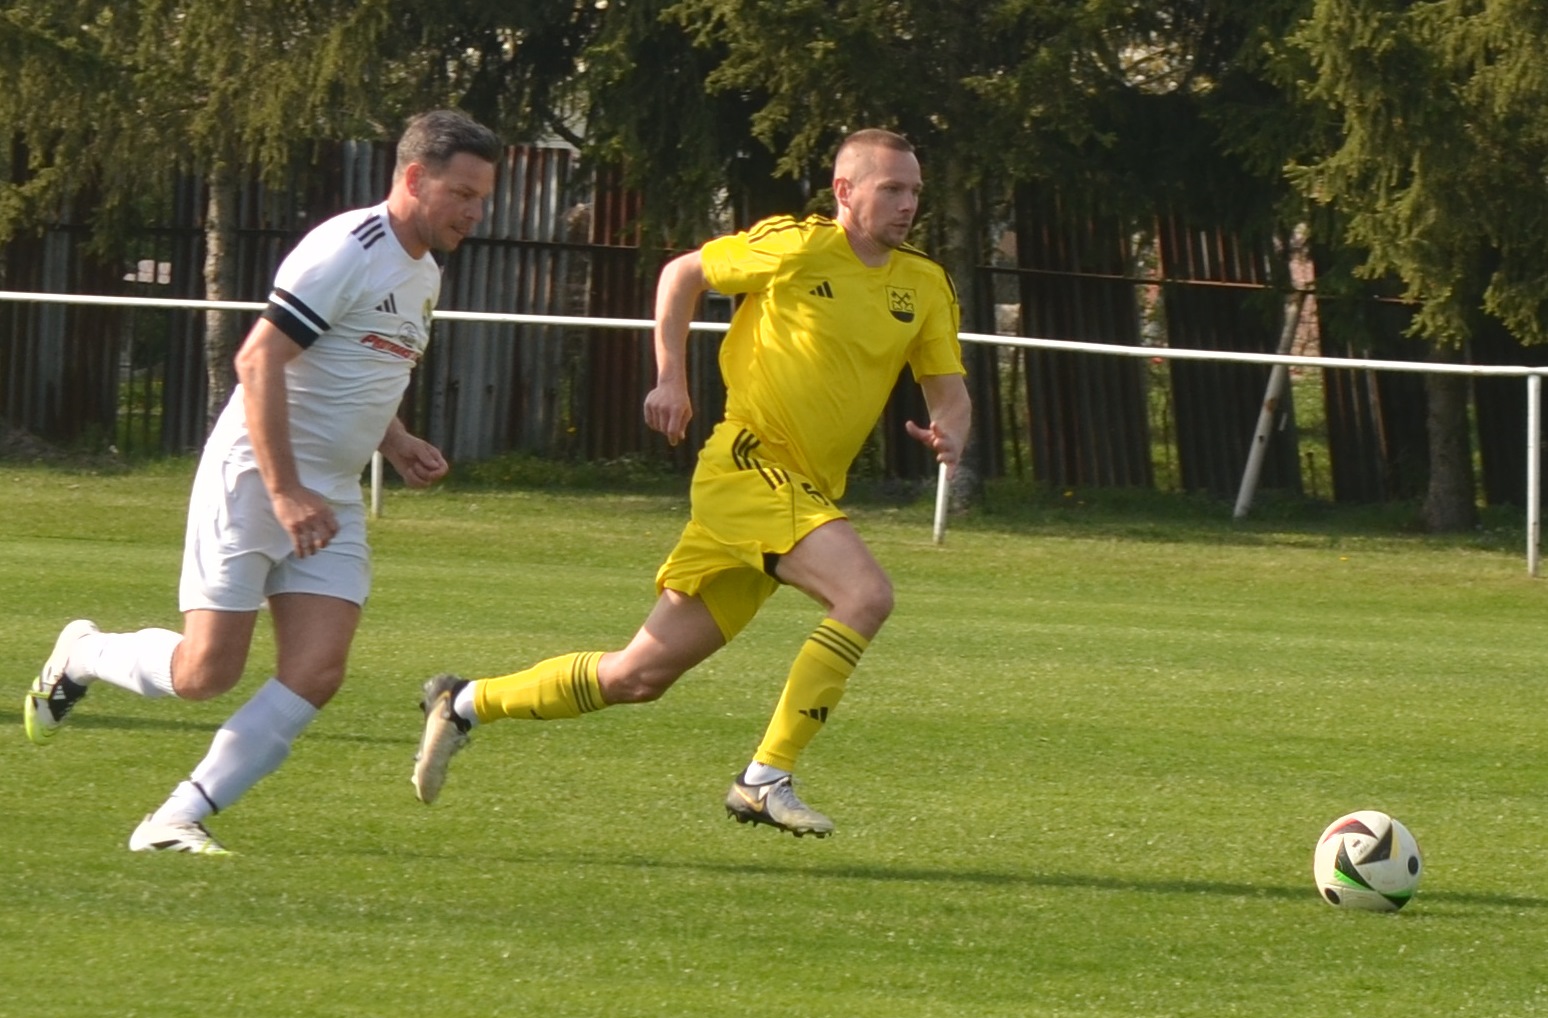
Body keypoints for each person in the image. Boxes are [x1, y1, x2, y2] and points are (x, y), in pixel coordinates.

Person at [412, 128, 971, 837]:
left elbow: (947, 390)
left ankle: (464, 702)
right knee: (866, 595)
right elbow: (682, 274)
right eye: (891, 188)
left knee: (637, 677)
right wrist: (671, 378)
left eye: (914, 190)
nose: (908, 203)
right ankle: (764, 778)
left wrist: (951, 431)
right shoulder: (795, 246)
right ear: (844, 191)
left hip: (799, 494)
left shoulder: (923, 282)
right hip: (748, 468)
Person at [23, 109, 501, 854]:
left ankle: (174, 820)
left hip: (329, 496)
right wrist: (284, 491)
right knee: (204, 673)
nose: (474, 213)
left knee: (317, 670)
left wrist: (398, 441)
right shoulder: (347, 249)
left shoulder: (425, 271)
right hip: (255, 480)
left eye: (482, 199)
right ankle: (84, 653)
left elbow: (357, 373)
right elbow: (257, 361)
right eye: (462, 194)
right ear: (414, 178)